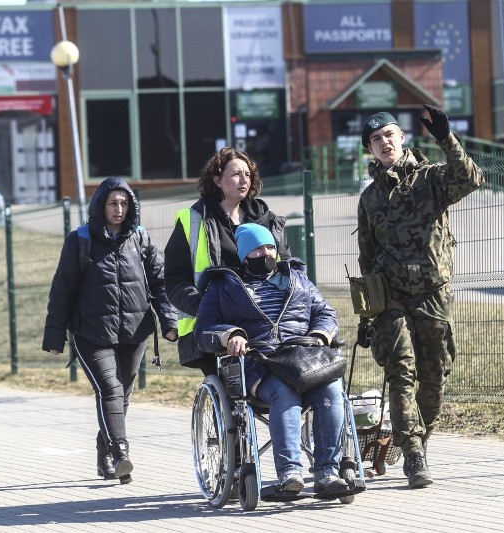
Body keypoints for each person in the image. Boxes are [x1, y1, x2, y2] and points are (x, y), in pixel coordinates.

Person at [356, 105, 484, 488]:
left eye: (389, 135)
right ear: (370, 149)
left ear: (402, 138)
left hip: (432, 294)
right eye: (376, 140)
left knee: (434, 376)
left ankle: (418, 441)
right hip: (393, 298)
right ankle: (412, 455)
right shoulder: (370, 199)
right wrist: (367, 316)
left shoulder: (430, 179)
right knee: (401, 371)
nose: (384, 143)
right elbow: (367, 260)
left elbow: (471, 178)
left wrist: (446, 139)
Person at [194, 223, 349, 496]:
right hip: (260, 363)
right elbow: (203, 328)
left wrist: (320, 334)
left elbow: (326, 312)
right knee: (283, 391)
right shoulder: (223, 285)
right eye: (257, 249)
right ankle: (291, 473)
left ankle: (328, 472)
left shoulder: (298, 279)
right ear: (244, 255)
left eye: (270, 248)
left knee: (332, 390)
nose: (266, 254)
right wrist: (230, 335)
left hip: (305, 358)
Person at [43, 177, 178, 484]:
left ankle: (104, 449)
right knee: (110, 390)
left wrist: (169, 322)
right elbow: (62, 290)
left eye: (124, 203)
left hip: (134, 331)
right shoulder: (80, 240)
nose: (119, 209)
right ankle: (120, 452)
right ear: (100, 205)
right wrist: (54, 336)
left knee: (123, 395)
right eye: (113, 203)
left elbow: (159, 282)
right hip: (92, 333)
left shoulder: (140, 239)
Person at [164, 147, 290, 376]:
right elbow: (175, 280)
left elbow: (287, 271)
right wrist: (205, 306)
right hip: (212, 326)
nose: (244, 180)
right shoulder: (192, 221)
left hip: (265, 321)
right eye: (236, 174)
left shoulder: (268, 222)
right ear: (217, 180)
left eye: (248, 175)